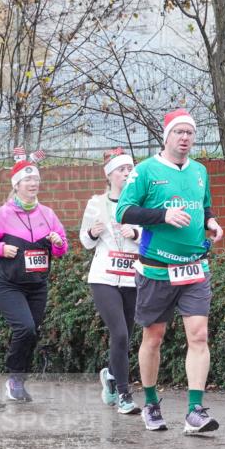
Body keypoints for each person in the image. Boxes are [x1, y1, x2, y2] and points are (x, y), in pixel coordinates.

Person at [115, 109, 224, 433]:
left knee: (199, 335)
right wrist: (163, 216)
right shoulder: (146, 171)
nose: (185, 138)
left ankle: (195, 411)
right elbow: (124, 210)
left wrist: (211, 222)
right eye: (179, 132)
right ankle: (150, 402)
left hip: (194, 269)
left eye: (190, 133)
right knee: (154, 337)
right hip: (156, 270)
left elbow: (202, 206)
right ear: (167, 137)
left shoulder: (200, 171)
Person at [0, 148, 68, 401]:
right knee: (25, 328)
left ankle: (18, 382)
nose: (33, 184)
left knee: (32, 332)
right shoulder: (3, 214)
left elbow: (61, 250)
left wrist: (58, 241)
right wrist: (1, 248)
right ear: (16, 185)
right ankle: (14, 379)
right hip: (8, 284)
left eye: (36, 180)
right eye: (27, 180)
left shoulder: (47, 214)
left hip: (37, 285)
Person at [80, 148, 142, 415]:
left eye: (130, 169)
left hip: (132, 277)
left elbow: (152, 238)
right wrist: (93, 233)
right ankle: (125, 396)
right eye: (121, 170)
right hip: (103, 277)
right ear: (110, 176)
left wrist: (137, 232)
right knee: (118, 333)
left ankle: (112, 378)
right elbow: (84, 240)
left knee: (125, 338)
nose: (127, 174)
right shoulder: (96, 203)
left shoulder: (141, 204)